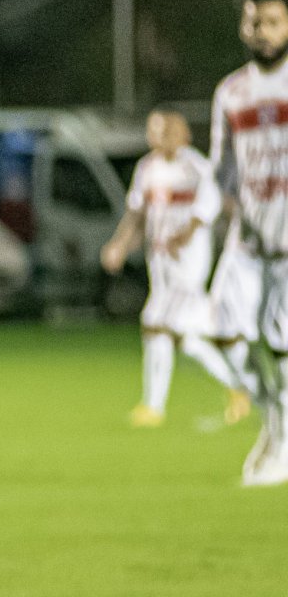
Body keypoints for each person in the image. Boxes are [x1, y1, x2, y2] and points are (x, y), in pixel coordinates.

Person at [101, 110, 250, 428]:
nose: (158, 136)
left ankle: (153, 408)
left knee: (154, 322)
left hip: (188, 262)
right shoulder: (146, 168)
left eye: (166, 130)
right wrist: (119, 244)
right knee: (187, 338)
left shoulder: (195, 166)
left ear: (183, 135)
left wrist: (186, 233)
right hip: (159, 262)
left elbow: (208, 207)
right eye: (154, 130)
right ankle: (240, 387)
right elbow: (136, 214)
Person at [209, 0, 288, 486]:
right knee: (218, 333)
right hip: (248, 237)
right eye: (253, 20)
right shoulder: (231, 92)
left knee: (281, 340)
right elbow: (223, 171)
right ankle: (277, 420)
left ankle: (282, 440)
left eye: (273, 21)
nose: (262, 30)